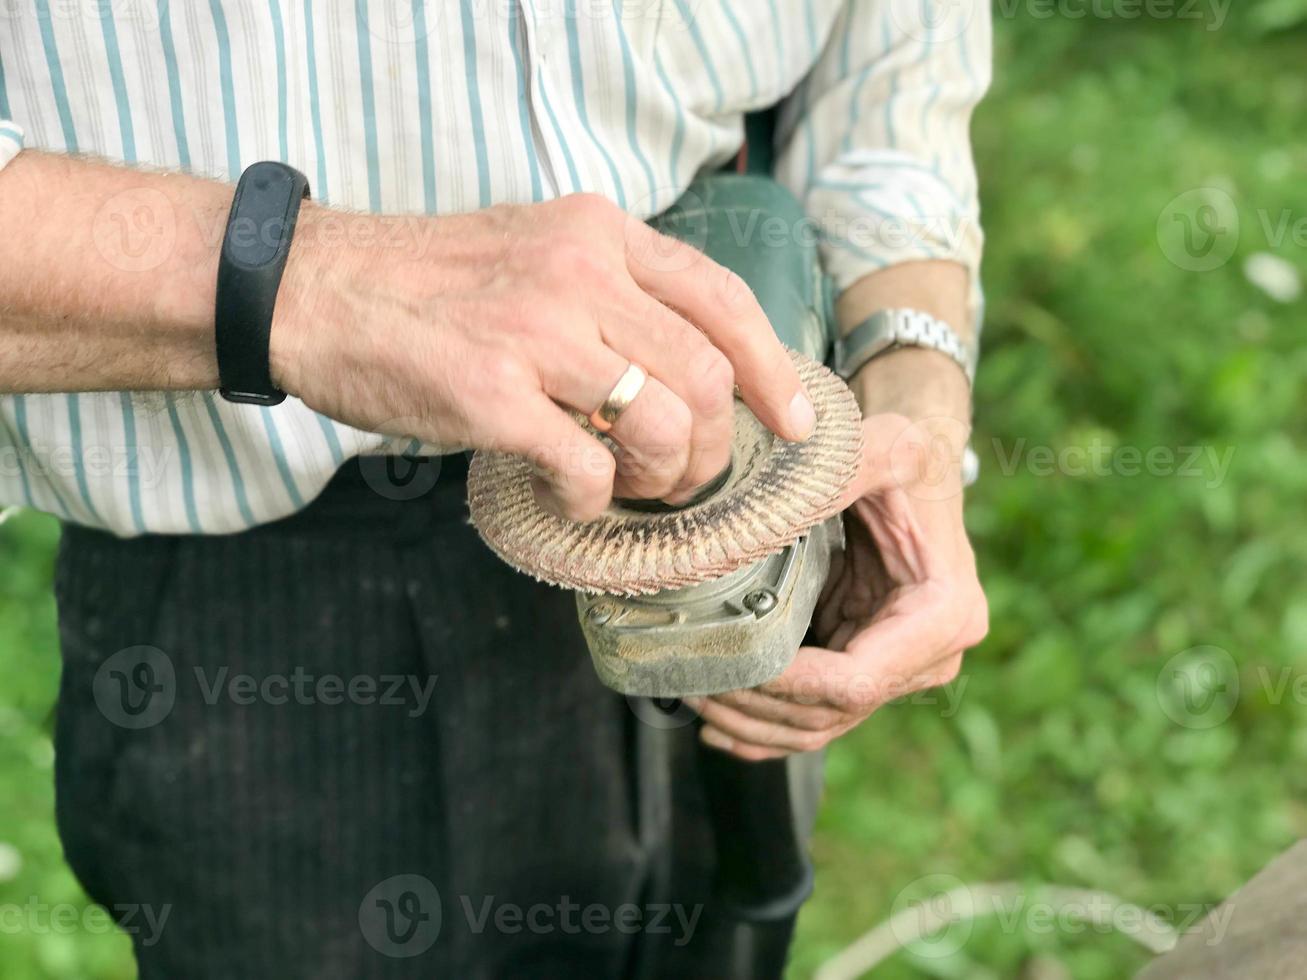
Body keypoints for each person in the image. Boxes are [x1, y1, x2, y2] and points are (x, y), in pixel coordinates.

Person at [0, 1, 991, 975]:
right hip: (269, 583)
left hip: (738, 481)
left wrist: (909, 386)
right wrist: (310, 281)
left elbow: (889, 66)